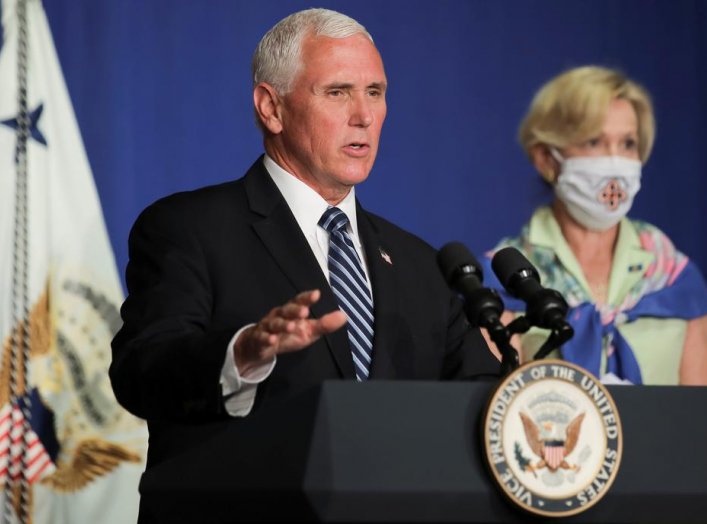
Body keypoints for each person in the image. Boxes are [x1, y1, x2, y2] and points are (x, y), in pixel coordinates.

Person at [109, 7, 499, 476]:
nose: (363, 116)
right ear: (271, 108)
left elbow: (479, 400)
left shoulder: (421, 264)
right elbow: (141, 373)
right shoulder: (188, 228)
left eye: (374, 93)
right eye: (337, 92)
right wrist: (243, 353)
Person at [482, 65, 707, 385]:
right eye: (594, 142)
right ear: (546, 158)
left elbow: (696, 421)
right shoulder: (504, 279)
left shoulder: (673, 277)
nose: (615, 161)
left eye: (627, 143)